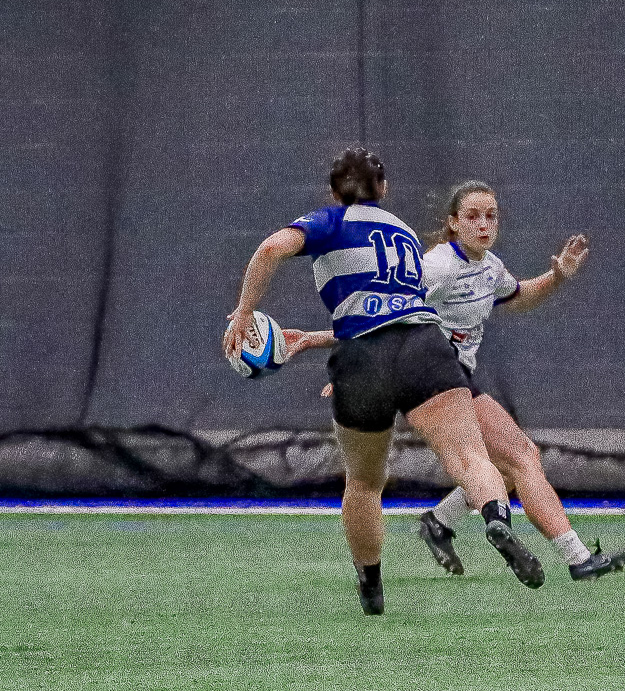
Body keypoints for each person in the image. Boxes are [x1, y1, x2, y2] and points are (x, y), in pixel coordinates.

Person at [223, 148, 544, 615]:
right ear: (385, 190)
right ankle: (495, 518)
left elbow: (272, 249)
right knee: (469, 456)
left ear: (334, 192)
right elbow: (397, 311)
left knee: (365, 480)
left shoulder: (330, 221)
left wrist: (246, 311)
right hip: (424, 345)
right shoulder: (407, 236)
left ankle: (371, 587)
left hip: (361, 357)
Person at [410, 181, 625, 581]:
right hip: (425, 376)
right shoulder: (438, 266)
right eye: (473, 216)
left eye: (491, 216)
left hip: (456, 378)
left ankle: (439, 523)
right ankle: (577, 557)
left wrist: (557, 275)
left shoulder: (489, 266)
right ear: (453, 224)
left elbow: (517, 297)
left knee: (513, 463)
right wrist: (360, 369)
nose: (483, 224)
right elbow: (389, 309)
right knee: (518, 457)